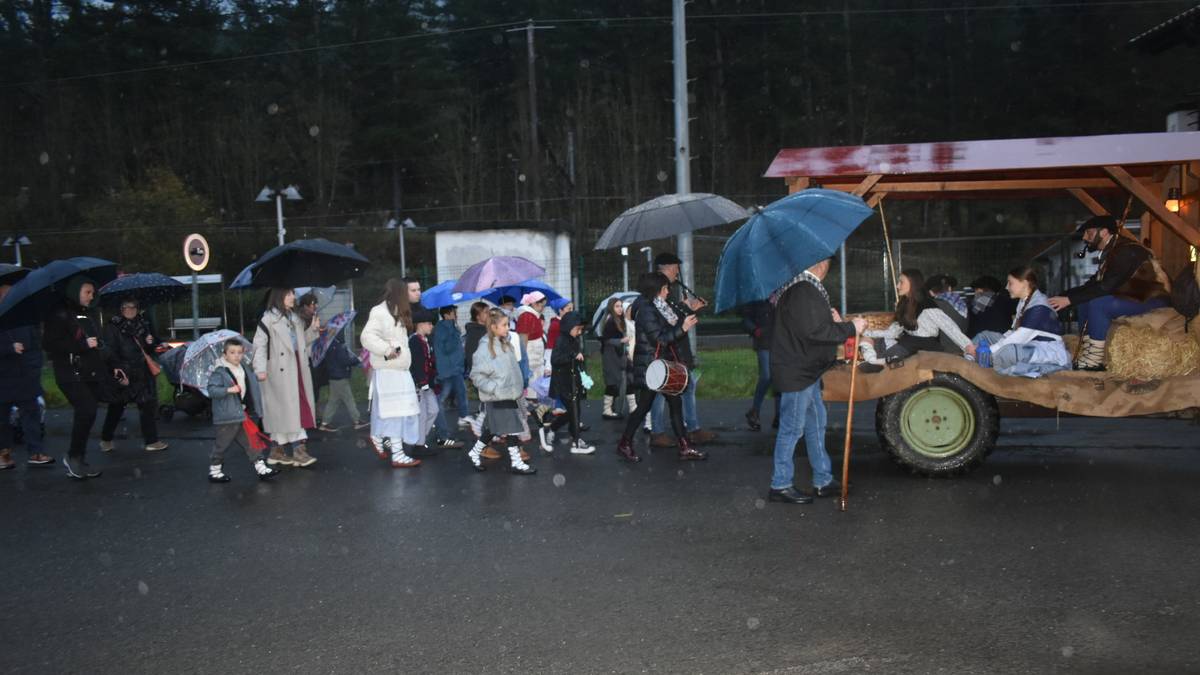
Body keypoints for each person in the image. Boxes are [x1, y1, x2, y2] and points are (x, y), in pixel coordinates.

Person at [768, 258, 867, 504]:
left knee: (815, 425)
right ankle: (780, 484)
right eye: (828, 263)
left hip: (805, 371)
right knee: (792, 429)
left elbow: (813, 327)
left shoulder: (801, 288)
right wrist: (851, 327)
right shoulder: (804, 290)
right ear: (822, 265)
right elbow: (816, 333)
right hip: (798, 372)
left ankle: (822, 479)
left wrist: (834, 321)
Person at [1047, 215, 1171, 371]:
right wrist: (1065, 297)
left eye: (1089, 233)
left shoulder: (1126, 251)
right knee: (1085, 300)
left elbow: (1106, 287)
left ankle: (1095, 359)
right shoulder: (1113, 252)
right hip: (1134, 296)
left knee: (1099, 303)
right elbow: (1092, 285)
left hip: (1152, 298)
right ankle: (1088, 351)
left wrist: (1069, 299)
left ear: (1104, 232)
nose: (1085, 238)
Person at [615, 272, 706, 464]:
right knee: (643, 408)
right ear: (655, 290)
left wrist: (686, 318)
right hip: (652, 367)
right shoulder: (647, 310)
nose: (668, 291)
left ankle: (684, 446)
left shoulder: (661, 307)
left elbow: (672, 329)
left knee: (674, 404)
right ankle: (625, 443)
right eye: (665, 288)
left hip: (662, 366)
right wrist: (683, 328)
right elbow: (661, 339)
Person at [43, 277, 126, 479]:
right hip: (69, 374)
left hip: (90, 372)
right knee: (87, 409)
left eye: (92, 292)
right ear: (75, 292)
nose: (91, 296)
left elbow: (99, 345)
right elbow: (51, 346)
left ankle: (77, 456)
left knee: (91, 411)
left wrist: (114, 365)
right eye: (87, 292)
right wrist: (81, 346)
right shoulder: (59, 315)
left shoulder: (86, 315)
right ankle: (74, 457)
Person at [650, 252, 716, 446]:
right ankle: (661, 431)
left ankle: (687, 428)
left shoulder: (667, 292)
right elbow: (668, 321)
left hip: (676, 349)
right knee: (661, 391)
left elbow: (672, 316)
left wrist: (688, 308)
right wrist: (685, 309)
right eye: (675, 268)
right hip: (668, 350)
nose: (678, 272)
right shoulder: (658, 293)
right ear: (668, 268)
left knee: (684, 386)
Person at [252, 288, 320, 468]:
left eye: (293, 293)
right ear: (279, 297)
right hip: (277, 372)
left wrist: (313, 330)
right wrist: (260, 369)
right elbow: (259, 346)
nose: (293, 297)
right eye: (289, 294)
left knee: (290, 410)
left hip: (296, 367)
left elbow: (300, 343)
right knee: (290, 411)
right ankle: (298, 450)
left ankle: (277, 451)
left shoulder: (294, 318)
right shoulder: (268, 320)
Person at [964, 267, 1070, 377]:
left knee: (1007, 352)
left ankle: (986, 368)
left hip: (1045, 352)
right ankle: (969, 358)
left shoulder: (1039, 307)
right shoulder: (1024, 301)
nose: (1006, 287)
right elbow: (1014, 332)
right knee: (984, 336)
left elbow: (1018, 338)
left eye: (1010, 283)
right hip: (1027, 345)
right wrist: (994, 342)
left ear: (1024, 283)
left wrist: (988, 350)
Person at [466, 309, 537, 475]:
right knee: (512, 428)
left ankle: (475, 452)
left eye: (507, 324)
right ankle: (516, 462)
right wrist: (494, 389)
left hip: (509, 394)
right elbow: (476, 375)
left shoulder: (506, 344)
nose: (507, 328)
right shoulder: (484, 349)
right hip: (497, 396)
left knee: (493, 429)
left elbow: (513, 370)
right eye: (504, 325)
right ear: (493, 327)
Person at [360, 279, 422, 468]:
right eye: (414, 290)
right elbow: (366, 337)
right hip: (389, 371)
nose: (418, 293)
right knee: (397, 413)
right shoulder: (380, 312)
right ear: (401, 292)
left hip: (398, 370)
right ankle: (397, 453)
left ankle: (379, 437)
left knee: (399, 411)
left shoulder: (398, 312)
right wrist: (388, 350)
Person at [859, 269, 971, 367]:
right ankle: (872, 361)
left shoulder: (926, 306)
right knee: (873, 344)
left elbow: (950, 328)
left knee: (875, 364)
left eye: (901, 282)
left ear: (912, 283)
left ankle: (873, 363)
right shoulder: (905, 304)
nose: (897, 286)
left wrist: (969, 347)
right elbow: (894, 331)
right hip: (907, 345)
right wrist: (866, 332)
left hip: (924, 352)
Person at [98, 298, 168, 453]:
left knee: (147, 406)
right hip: (124, 372)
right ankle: (106, 438)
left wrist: (151, 342)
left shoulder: (144, 324)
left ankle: (152, 441)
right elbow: (109, 351)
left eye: (133, 307)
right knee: (116, 407)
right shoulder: (112, 326)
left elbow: (149, 347)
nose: (130, 310)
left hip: (142, 371)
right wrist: (116, 368)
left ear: (138, 309)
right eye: (126, 307)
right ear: (121, 309)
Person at [205, 339, 278, 482]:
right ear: (225, 355)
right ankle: (214, 471)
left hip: (240, 414)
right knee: (222, 445)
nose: (236, 356)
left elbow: (249, 386)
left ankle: (261, 469)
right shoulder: (220, 372)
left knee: (251, 442)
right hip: (227, 417)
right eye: (232, 352)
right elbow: (212, 390)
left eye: (239, 352)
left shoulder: (242, 368)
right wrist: (228, 390)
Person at [0, 274, 53, 470]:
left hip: (26, 374)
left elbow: (36, 345)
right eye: (4, 294)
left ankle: (36, 451)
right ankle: (3, 454)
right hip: (3, 377)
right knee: (2, 420)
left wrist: (34, 366)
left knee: (31, 414)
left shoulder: (25, 317)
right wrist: (8, 347)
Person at [409, 307, 462, 452]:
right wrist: (422, 382)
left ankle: (419, 439)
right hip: (420, 384)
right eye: (429, 324)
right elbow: (417, 363)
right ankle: (418, 444)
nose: (432, 326)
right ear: (420, 324)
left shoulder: (426, 340)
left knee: (433, 410)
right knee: (423, 414)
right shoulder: (414, 341)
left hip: (429, 383)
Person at [546, 311, 596, 454]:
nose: (579, 332)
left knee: (573, 411)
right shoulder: (561, 340)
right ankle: (576, 440)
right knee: (574, 410)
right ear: (568, 327)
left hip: (573, 380)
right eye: (577, 329)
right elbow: (555, 360)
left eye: (581, 329)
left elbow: (576, 359)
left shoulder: (574, 339)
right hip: (563, 382)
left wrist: (583, 376)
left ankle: (555, 428)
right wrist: (573, 356)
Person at [740, 299, 778, 432]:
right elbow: (745, 319)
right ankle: (754, 410)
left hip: (781, 341)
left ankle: (779, 415)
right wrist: (755, 330)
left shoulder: (783, 292)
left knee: (778, 377)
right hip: (764, 341)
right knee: (767, 375)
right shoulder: (755, 296)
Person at [316, 332, 366, 432]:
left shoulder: (330, 345)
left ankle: (325, 423)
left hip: (334, 377)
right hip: (340, 378)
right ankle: (357, 421)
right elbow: (345, 361)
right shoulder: (338, 347)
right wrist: (358, 359)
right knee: (349, 399)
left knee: (333, 401)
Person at [599, 296, 632, 420]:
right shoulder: (610, 321)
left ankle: (610, 408)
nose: (620, 309)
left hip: (617, 355)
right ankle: (607, 410)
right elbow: (606, 340)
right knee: (612, 382)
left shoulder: (618, 320)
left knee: (619, 381)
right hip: (610, 355)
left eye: (620, 306)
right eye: (617, 306)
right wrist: (621, 340)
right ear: (611, 307)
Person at [433, 305, 468, 420]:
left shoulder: (449, 327)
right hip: (449, 368)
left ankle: (462, 416)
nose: (456, 315)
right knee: (450, 394)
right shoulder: (443, 328)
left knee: (456, 392)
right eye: (453, 313)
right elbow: (447, 348)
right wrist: (456, 335)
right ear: (446, 315)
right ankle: (462, 416)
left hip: (453, 367)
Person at [514, 290, 549, 398]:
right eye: (541, 305)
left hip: (535, 355)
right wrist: (522, 358)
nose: (543, 308)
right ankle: (528, 404)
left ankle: (532, 401)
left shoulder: (533, 315)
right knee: (530, 380)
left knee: (535, 381)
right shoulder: (527, 316)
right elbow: (523, 338)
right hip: (530, 354)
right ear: (534, 304)